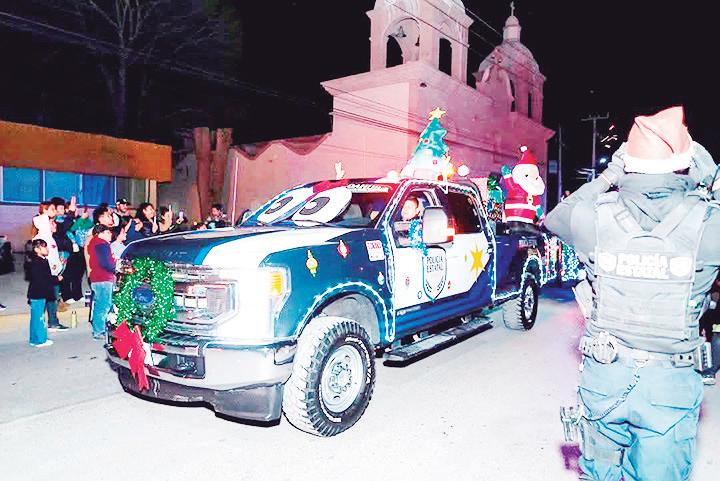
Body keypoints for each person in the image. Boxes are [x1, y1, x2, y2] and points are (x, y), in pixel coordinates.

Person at [545, 106, 720, 481]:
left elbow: (555, 218)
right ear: (684, 162)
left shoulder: (595, 217)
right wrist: (710, 174)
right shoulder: (709, 224)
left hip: (605, 378)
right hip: (669, 388)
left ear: (628, 162)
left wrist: (609, 174)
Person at [27, 238, 68, 347]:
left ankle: (34, 339)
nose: (47, 249)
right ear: (37, 249)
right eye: (44, 247)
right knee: (39, 318)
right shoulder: (37, 262)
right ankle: (40, 340)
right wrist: (56, 279)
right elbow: (42, 278)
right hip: (38, 293)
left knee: (36, 317)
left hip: (39, 293)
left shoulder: (42, 260)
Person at [87, 225, 116, 340]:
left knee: (101, 304)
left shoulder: (95, 243)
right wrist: (115, 268)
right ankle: (99, 331)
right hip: (103, 278)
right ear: (101, 233)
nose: (111, 235)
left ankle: (100, 329)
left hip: (98, 278)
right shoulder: (101, 244)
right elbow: (106, 263)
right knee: (103, 305)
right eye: (108, 232)